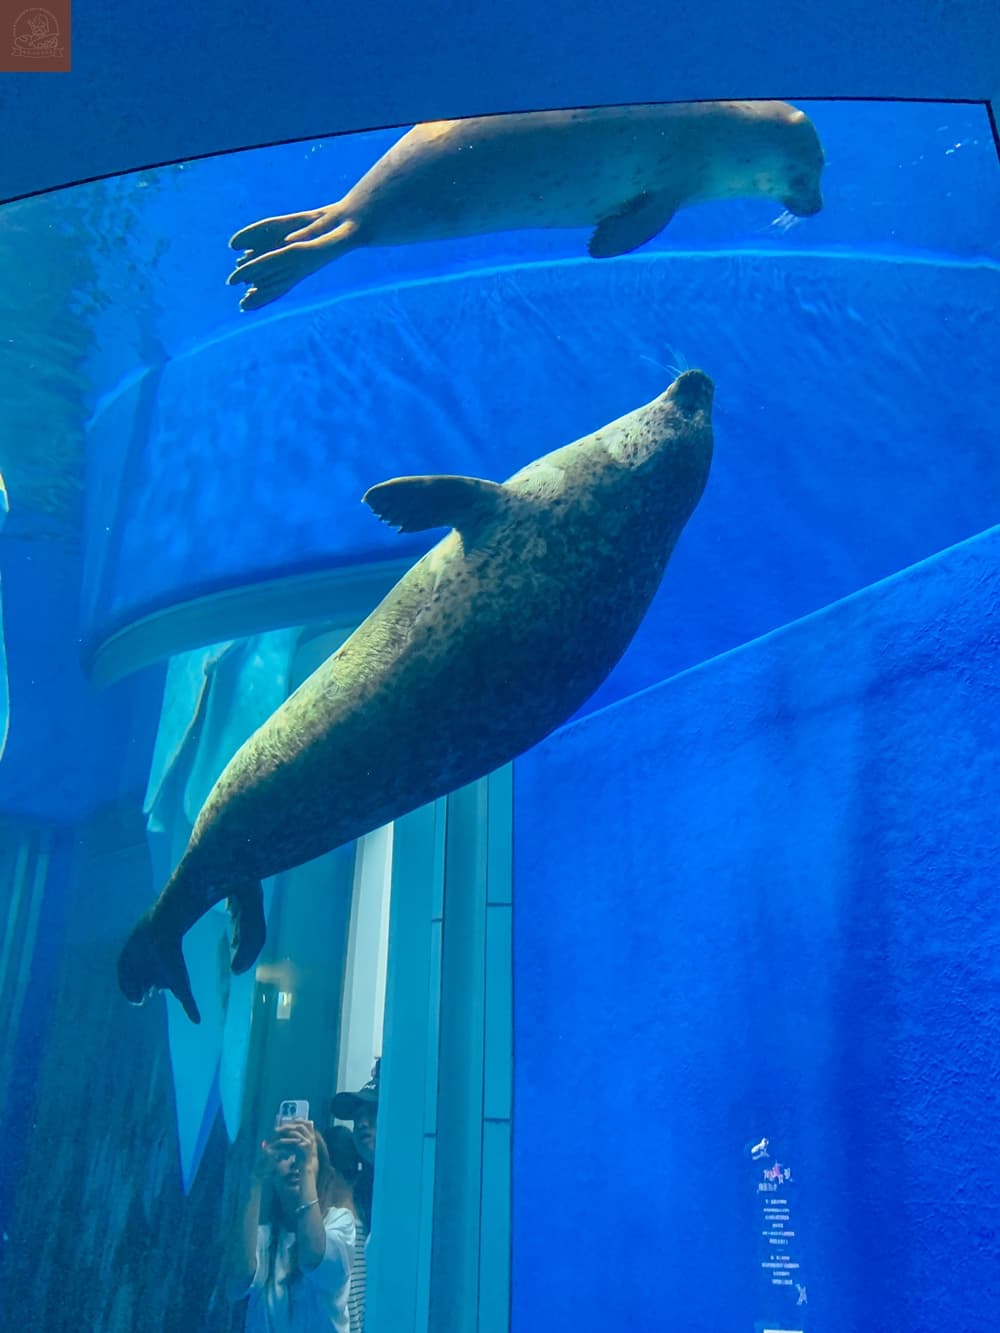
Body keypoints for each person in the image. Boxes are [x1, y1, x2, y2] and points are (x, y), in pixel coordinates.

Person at [226, 1119, 360, 1333]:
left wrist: (306, 1168)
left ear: (318, 1170)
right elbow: (238, 1278)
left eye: (303, 1154)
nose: (294, 1162)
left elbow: (312, 1257)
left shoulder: (339, 1223)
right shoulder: (263, 1237)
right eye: (285, 1154)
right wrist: (256, 1179)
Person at [330, 1059, 380, 1333]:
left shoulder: (415, 1183)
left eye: (372, 1112)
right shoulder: (354, 1193)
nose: (361, 1123)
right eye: (356, 1117)